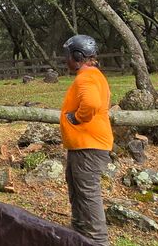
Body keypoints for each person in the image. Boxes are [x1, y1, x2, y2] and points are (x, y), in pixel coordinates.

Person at [59, 34, 112, 246]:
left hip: (89, 147)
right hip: (83, 145)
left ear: (78, 56)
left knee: (88, 195)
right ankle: (80, 234)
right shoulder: (92, 75)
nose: (66, 60)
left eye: (68, 55)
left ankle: (98, 240)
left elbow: (90, 103)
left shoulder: (86, 77)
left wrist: (77, 118)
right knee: (77, 189)